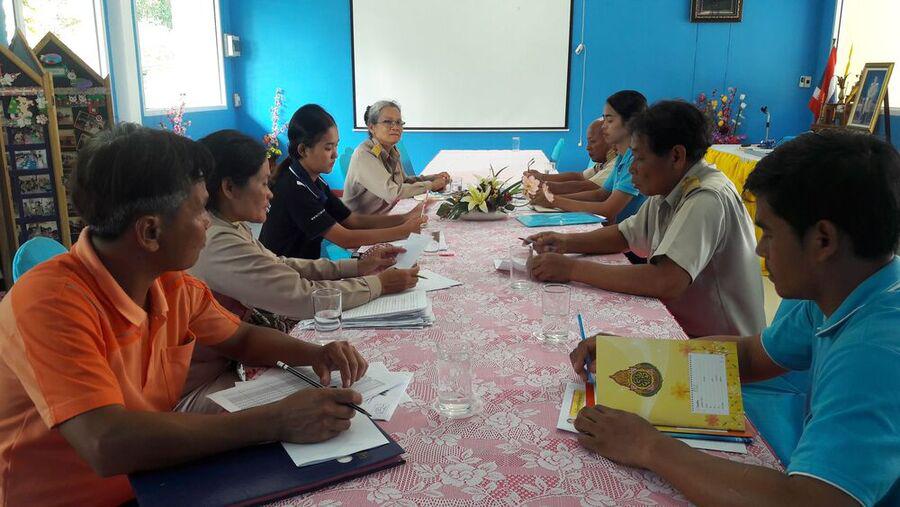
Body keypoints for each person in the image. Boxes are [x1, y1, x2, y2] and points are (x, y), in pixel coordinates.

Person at [0, 124, 369, 505]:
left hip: (157, 478)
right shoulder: (50, 302)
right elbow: (105, 443)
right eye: (198, 209)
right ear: (150, 232)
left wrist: (316, 354)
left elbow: (241, 338)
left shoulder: (168, 282)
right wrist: (275, 421)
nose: (208, 222)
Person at [568, 129, 900, 506]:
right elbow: (749, 356)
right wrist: (632, 355)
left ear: (823, 240)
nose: (760, 249)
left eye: (769, 234)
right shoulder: (837, 288)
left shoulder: (876, 352)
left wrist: (648, 446)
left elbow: (811, 500)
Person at [182, 129, 421, 412]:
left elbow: (278, 264)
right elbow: (303, 297)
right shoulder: (216, 240)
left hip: (228, 361)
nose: (270, 192)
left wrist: (356, 267)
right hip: (204, 382)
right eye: (263, 183)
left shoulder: (233, 223)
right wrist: (378, 283)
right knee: (325, 406)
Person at [528, 100, 764, 337]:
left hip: (723, 348)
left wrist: (571, 268)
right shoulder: (670, 186)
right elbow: (624, 235)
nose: (632, 169)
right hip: (687, 330)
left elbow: (666, 280)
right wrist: (565, 242)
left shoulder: (706, 197)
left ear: (676, 156)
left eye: (640, 158)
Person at [260, 104, 428, 259]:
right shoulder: (295, 189)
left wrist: (405, 218)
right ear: (303, 150)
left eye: (336, 146)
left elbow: (352, 220)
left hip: (307, 267)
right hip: (288, 273)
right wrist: (403, 231)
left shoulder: (314, 180)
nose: (335, 154)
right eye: (328, 148)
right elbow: (346, 239)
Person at [529, 90, 648, 225]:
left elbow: (608, 210)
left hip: (626, 234)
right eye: (604, 119)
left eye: (609, 120)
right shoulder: (623, 156)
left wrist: (554, 200)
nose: (603, 126)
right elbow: (600, 194)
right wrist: (552, 198)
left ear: (631, 122)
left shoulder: (634, 160)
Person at [342, 100, 450, 214]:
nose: (395, 127)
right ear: (372, 128)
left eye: (398, 122)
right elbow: (392, 193)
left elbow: (404, 181)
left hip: (386, 213)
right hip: (363, 222)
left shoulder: (391, 149)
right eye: (388, 122)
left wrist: (432, 178)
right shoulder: (364, 155)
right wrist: (432, 185)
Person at [524, 118, 618, 194]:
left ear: (610, 140)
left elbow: (585, 187)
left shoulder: (615, 164)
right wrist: (542, 176)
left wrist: (544, 186)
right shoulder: (604, 162)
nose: (587, 147)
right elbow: (579, 176)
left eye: (592, 142)